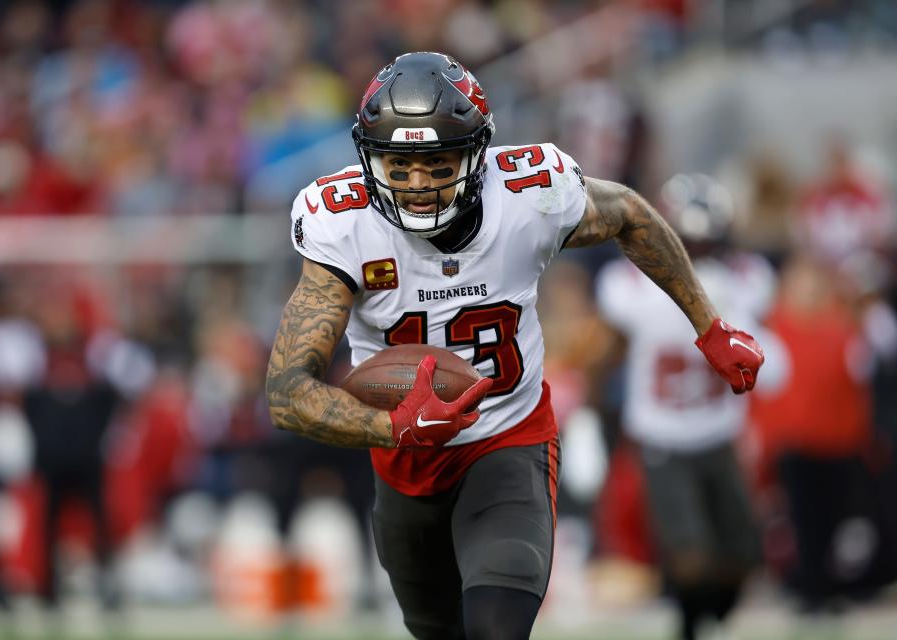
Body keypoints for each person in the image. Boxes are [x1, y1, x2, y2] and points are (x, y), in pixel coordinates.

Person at [266, 52, 765, 640]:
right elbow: (285, 393)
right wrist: (393, 426)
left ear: (477, 155)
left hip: (508, 440)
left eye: (437, 162)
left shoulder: (529, 194)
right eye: (398, 165)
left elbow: (631, 215)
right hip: (404, 463)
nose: (418, 185)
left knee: (497, 630)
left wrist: (709, 326)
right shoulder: (343, 225)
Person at [596, 173, 775, 639]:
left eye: (704, 243)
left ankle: (704, 620)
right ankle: (689, 628)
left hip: (719, 433)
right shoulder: (631, 287)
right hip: (663, 437)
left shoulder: (747, 279)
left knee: (743, 556)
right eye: (687, 242)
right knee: (691, 556)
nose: (696, 253)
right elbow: (637, 306)